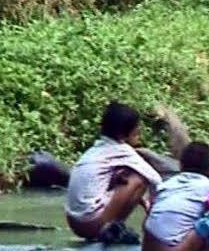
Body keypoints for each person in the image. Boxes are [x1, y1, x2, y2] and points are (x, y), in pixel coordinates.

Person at [65, 102, 162, 243]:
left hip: (74, 221)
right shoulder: (121, 150)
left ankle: (105, 229)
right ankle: (111, 230)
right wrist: (155, 213)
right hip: (90, 223)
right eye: (137, 127)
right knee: (139, 179)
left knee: (123, 175)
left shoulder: (94, 150)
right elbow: (156, 180)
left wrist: (143, 201)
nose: (139, 131)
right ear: (125, 132)